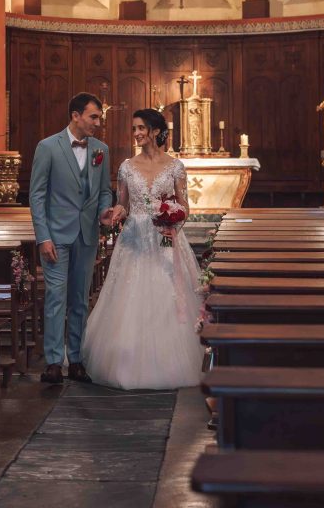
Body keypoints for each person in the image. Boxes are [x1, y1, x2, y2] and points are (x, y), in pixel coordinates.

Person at [83, 108, 205, 390]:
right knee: (130, 295)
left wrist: (173, 218)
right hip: (134, 239)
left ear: (154, 130)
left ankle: (169, 360)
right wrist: (115, 213)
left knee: (167, 292)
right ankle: (127, 360)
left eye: (141, 128)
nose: (136, 133)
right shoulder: (127, 166)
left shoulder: (175, 166)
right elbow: (123, 203)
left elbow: (185, 206)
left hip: (165, 237)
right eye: (134, 128)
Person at [29, 92, 115, 385]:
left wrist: (105, 211)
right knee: (55, 297)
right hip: (55, 235)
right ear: (75, 115)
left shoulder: (100, 150)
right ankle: (54, 361)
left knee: (79, 298)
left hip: (87, 233)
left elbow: (105, 190)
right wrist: (43, 237)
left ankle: (76, 359)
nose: (98, 123)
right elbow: (37, 195)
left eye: (99, 118)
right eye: (93, 117)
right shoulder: (47, 147)